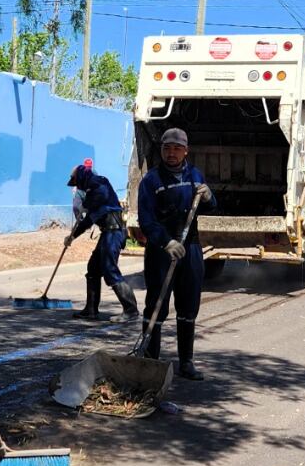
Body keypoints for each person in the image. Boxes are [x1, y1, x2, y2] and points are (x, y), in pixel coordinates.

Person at [137, 128, 215, 380]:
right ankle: (150, 362)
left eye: (176, 148)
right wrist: (166, 242)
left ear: (185, 150)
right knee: (156, 305)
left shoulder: (194, 175)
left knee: (188, 305)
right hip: (162, 251)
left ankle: (186, 362)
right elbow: (146, 220)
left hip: (190, 247)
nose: (171, 153)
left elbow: (211, 208)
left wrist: (209, 197)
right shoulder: (151, 180)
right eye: (166, 148)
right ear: (161, 150)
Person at [67, 159, 139, 322]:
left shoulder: (98, 187)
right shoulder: (93, 187)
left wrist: (72, 236)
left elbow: (88, 221)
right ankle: (91, 310)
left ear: (82, 178)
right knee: (93, 269)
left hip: (114, 233)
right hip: (107, 232)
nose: (77, 187)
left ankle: (131, 310)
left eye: (76, 182)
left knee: (110, 270)